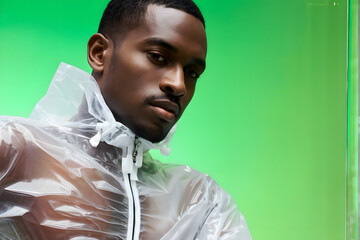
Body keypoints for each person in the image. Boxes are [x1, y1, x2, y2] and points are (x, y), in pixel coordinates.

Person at [0, 0, 252, 239]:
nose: (179, 85)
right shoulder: (14, 152)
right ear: (99, 53)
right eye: (158, 56)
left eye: (191, 72)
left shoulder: (200, 202)